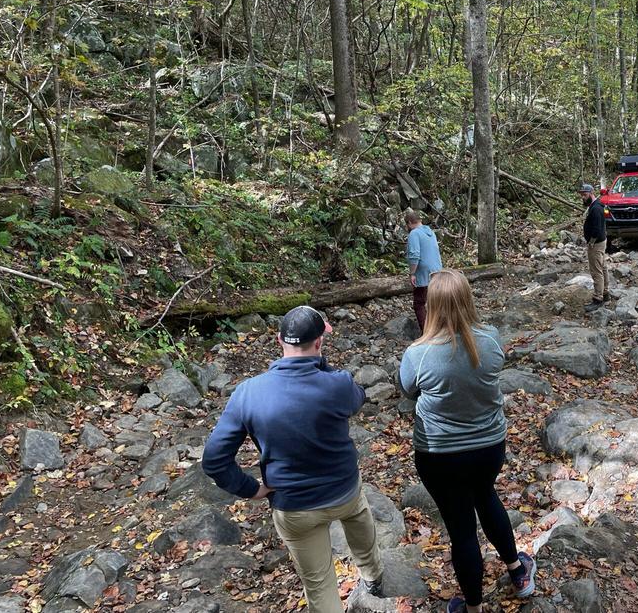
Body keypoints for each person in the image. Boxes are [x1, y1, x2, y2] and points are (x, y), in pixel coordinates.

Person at [202, 305, 383, 613]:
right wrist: (322, 366)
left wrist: (252, 489)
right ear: (319, 342)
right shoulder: (337, 384)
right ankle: (373, 575)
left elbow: (214, 460)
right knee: (358, 515)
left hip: (294, 505)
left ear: (279, 340)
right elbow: (358, 398)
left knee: (319, 584)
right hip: (343, 491)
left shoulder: (248, 393)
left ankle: (365, 580)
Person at [397, 269, 536, 613]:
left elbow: (408, 389)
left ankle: (473, 608)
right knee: (486, 497)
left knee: (461, 527)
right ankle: (518, 573)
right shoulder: (491, 340)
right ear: (468, 300)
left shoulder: (418, 353)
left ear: (432, 306)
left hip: (440, 454)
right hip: (488, 448)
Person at [404, 208, 443, 331]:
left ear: (410, 223)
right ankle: (439, 328)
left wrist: (412, 273)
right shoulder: (430, 232)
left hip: (423, 273)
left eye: (407, 225)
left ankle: (427, 332)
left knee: (419, 303)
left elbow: (414, 255)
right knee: (435, 302)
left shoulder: (414, 233)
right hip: (437, 270)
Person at [579, 183, 610, 311]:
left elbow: (597, 228)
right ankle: (605, 293)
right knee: (602, 267)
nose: (583, 197)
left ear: (591, 193)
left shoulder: (596, 208)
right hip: (601, 241)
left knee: (596, 270)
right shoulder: (596, 205)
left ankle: (598, 298)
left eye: (585, 195)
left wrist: (591, 241)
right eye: (581, 195)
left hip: (596, 243)